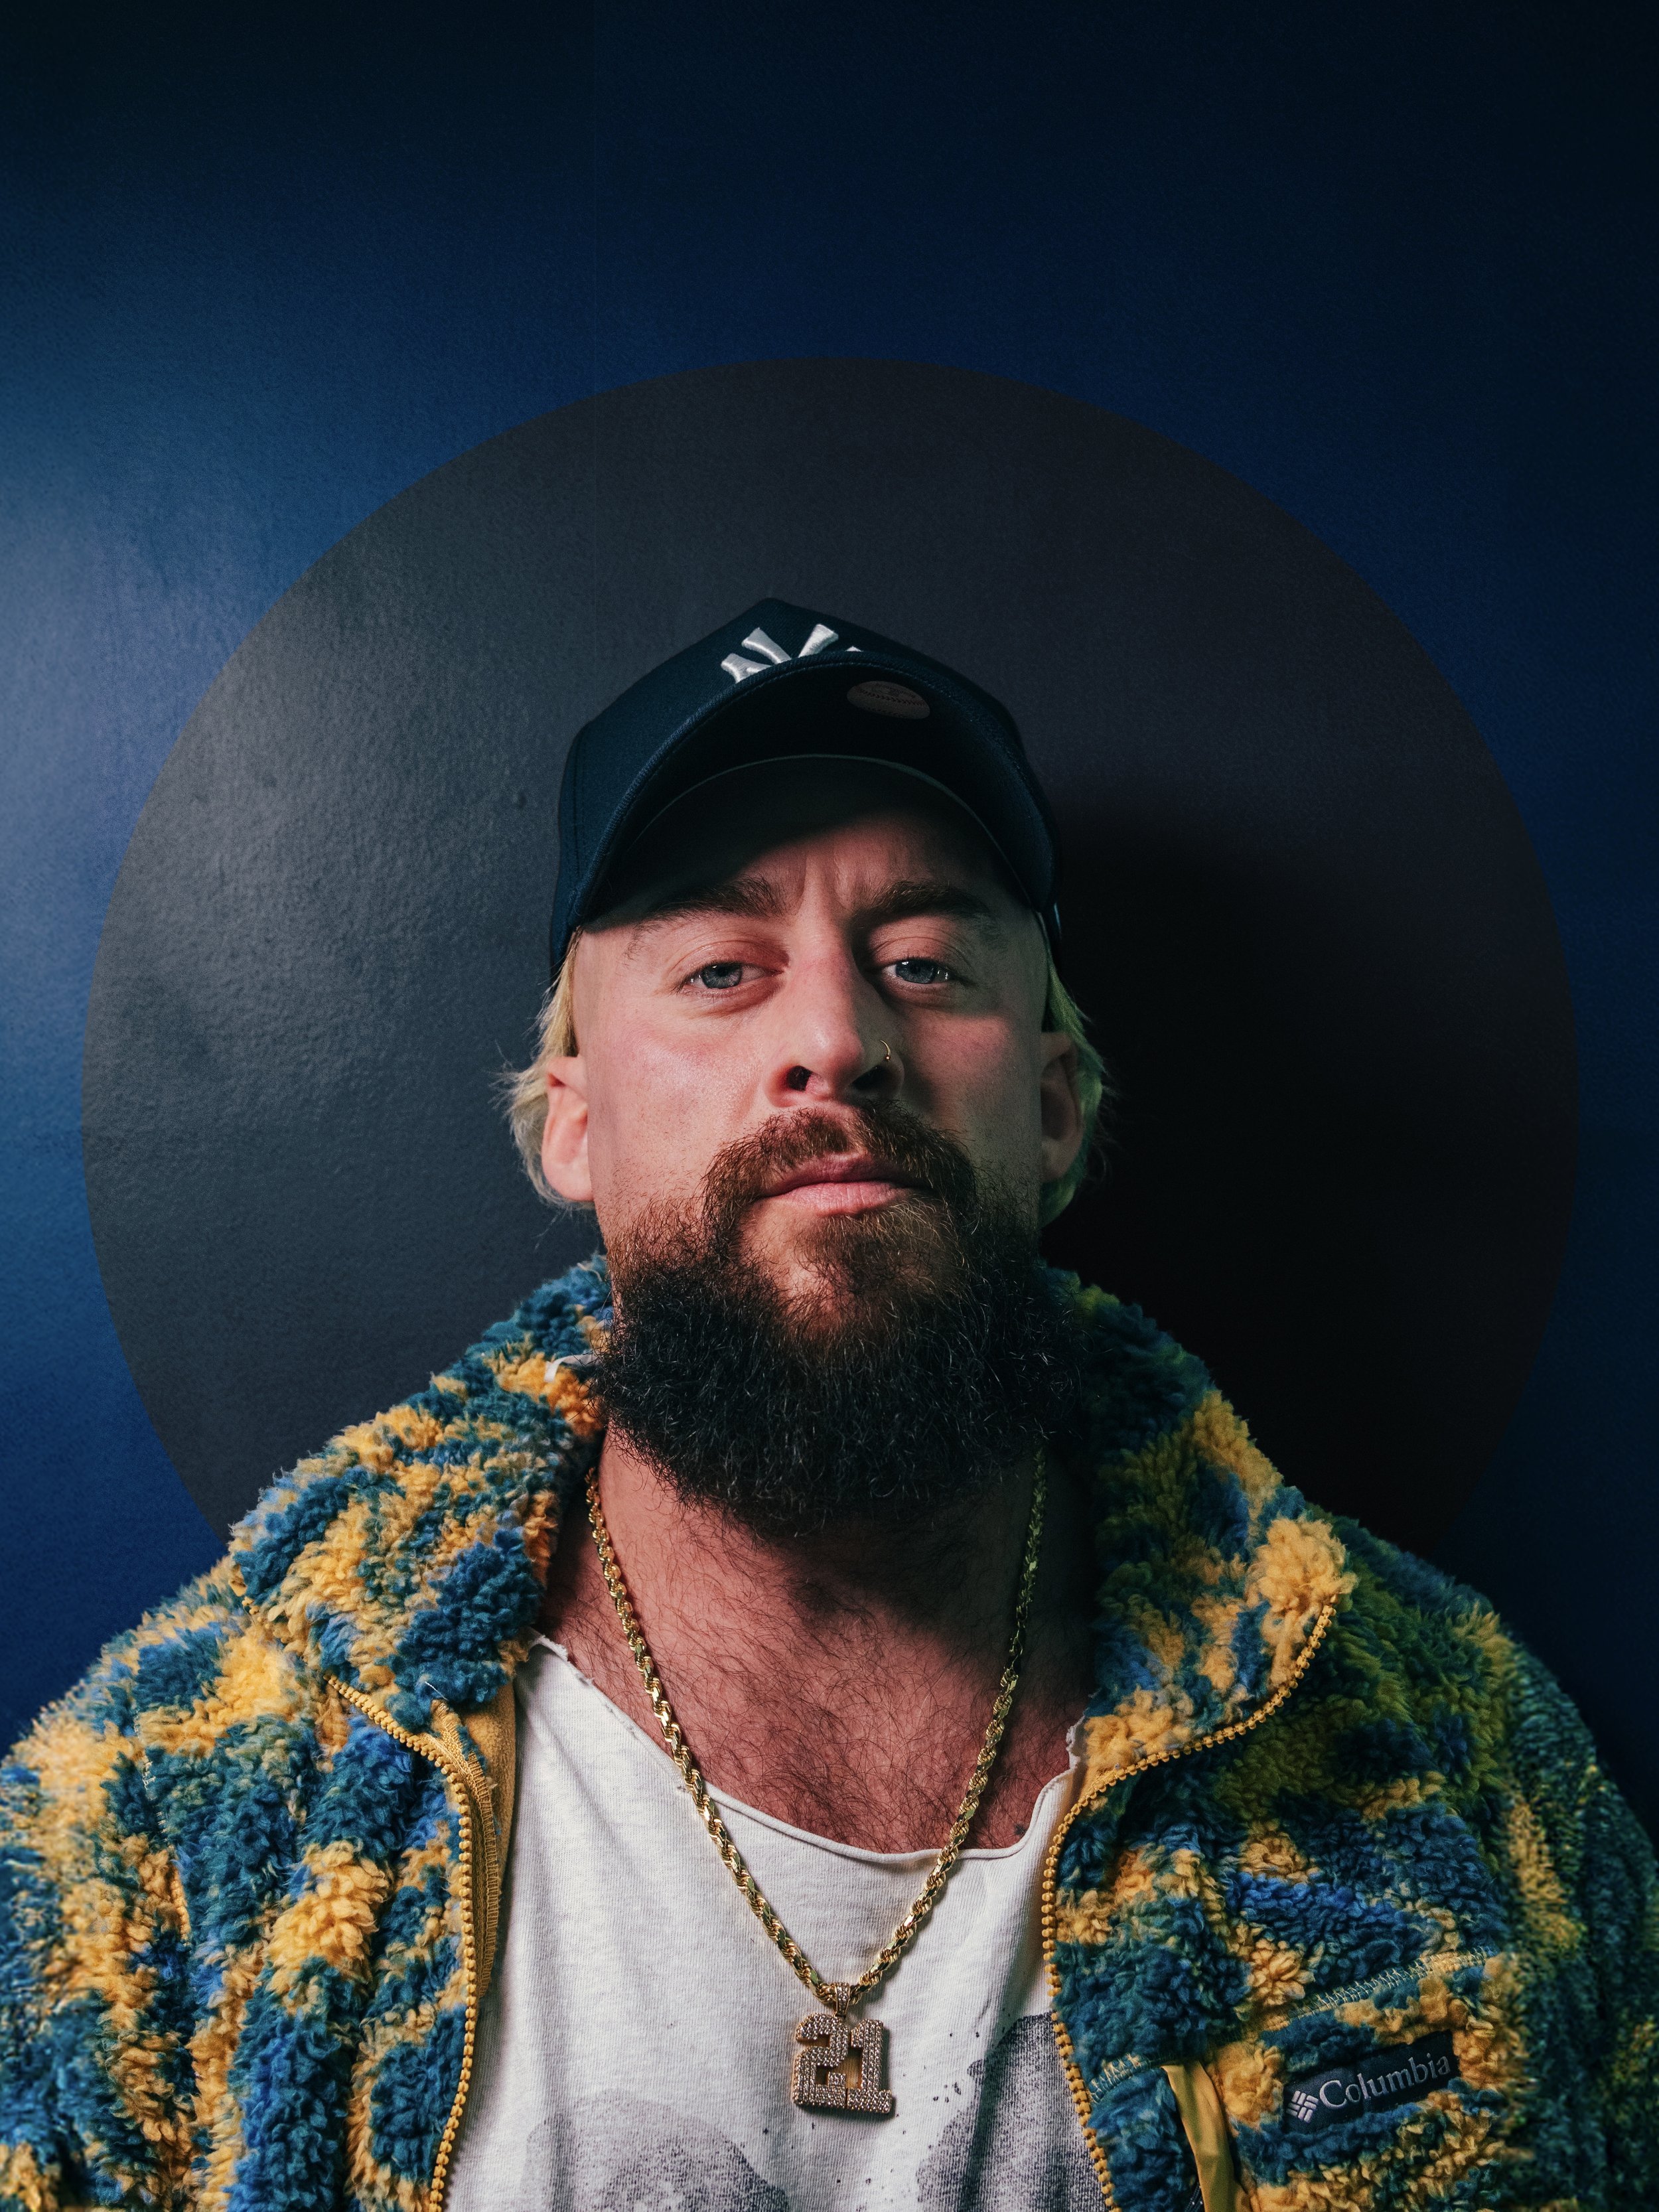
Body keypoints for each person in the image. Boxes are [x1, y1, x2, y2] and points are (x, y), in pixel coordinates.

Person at [1, 600, 1654, 2212]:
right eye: (721, 967)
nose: (836, 1038)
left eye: (924, 960)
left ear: (1058, 1106)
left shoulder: (1450, 1758)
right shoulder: (171, 1818)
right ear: (570, 1118)